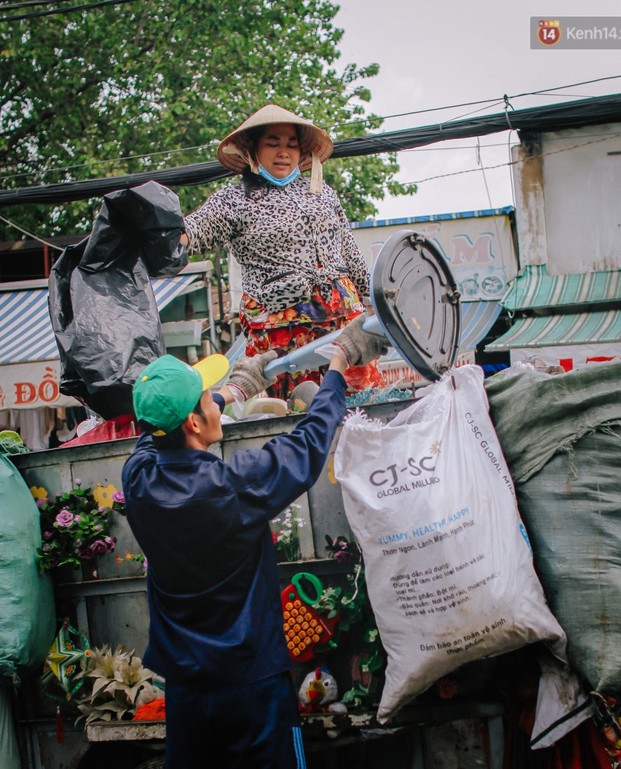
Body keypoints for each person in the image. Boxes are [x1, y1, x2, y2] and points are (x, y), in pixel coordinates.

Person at [121, 315, 389, 769]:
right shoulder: (231, 487)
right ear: (193, 420)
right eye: (207, 398)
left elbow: (153, 433)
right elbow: (307, 446)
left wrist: (236, 390)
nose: (213, 401)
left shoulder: (139, 479)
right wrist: (339, 365)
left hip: (186, 689)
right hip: (252, 686)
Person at [180, 103, 384, 399]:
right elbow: (196, 229)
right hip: (282, 334)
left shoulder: (323, 194)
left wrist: (374, 301)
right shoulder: (234, 200)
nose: (283, 153)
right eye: (273, 144)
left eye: (291, 145)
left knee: (356, 408)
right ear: (253, 150)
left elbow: (350, 254)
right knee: (294, 412)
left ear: (302, 152)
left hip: (342, 323)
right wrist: (173, 237)